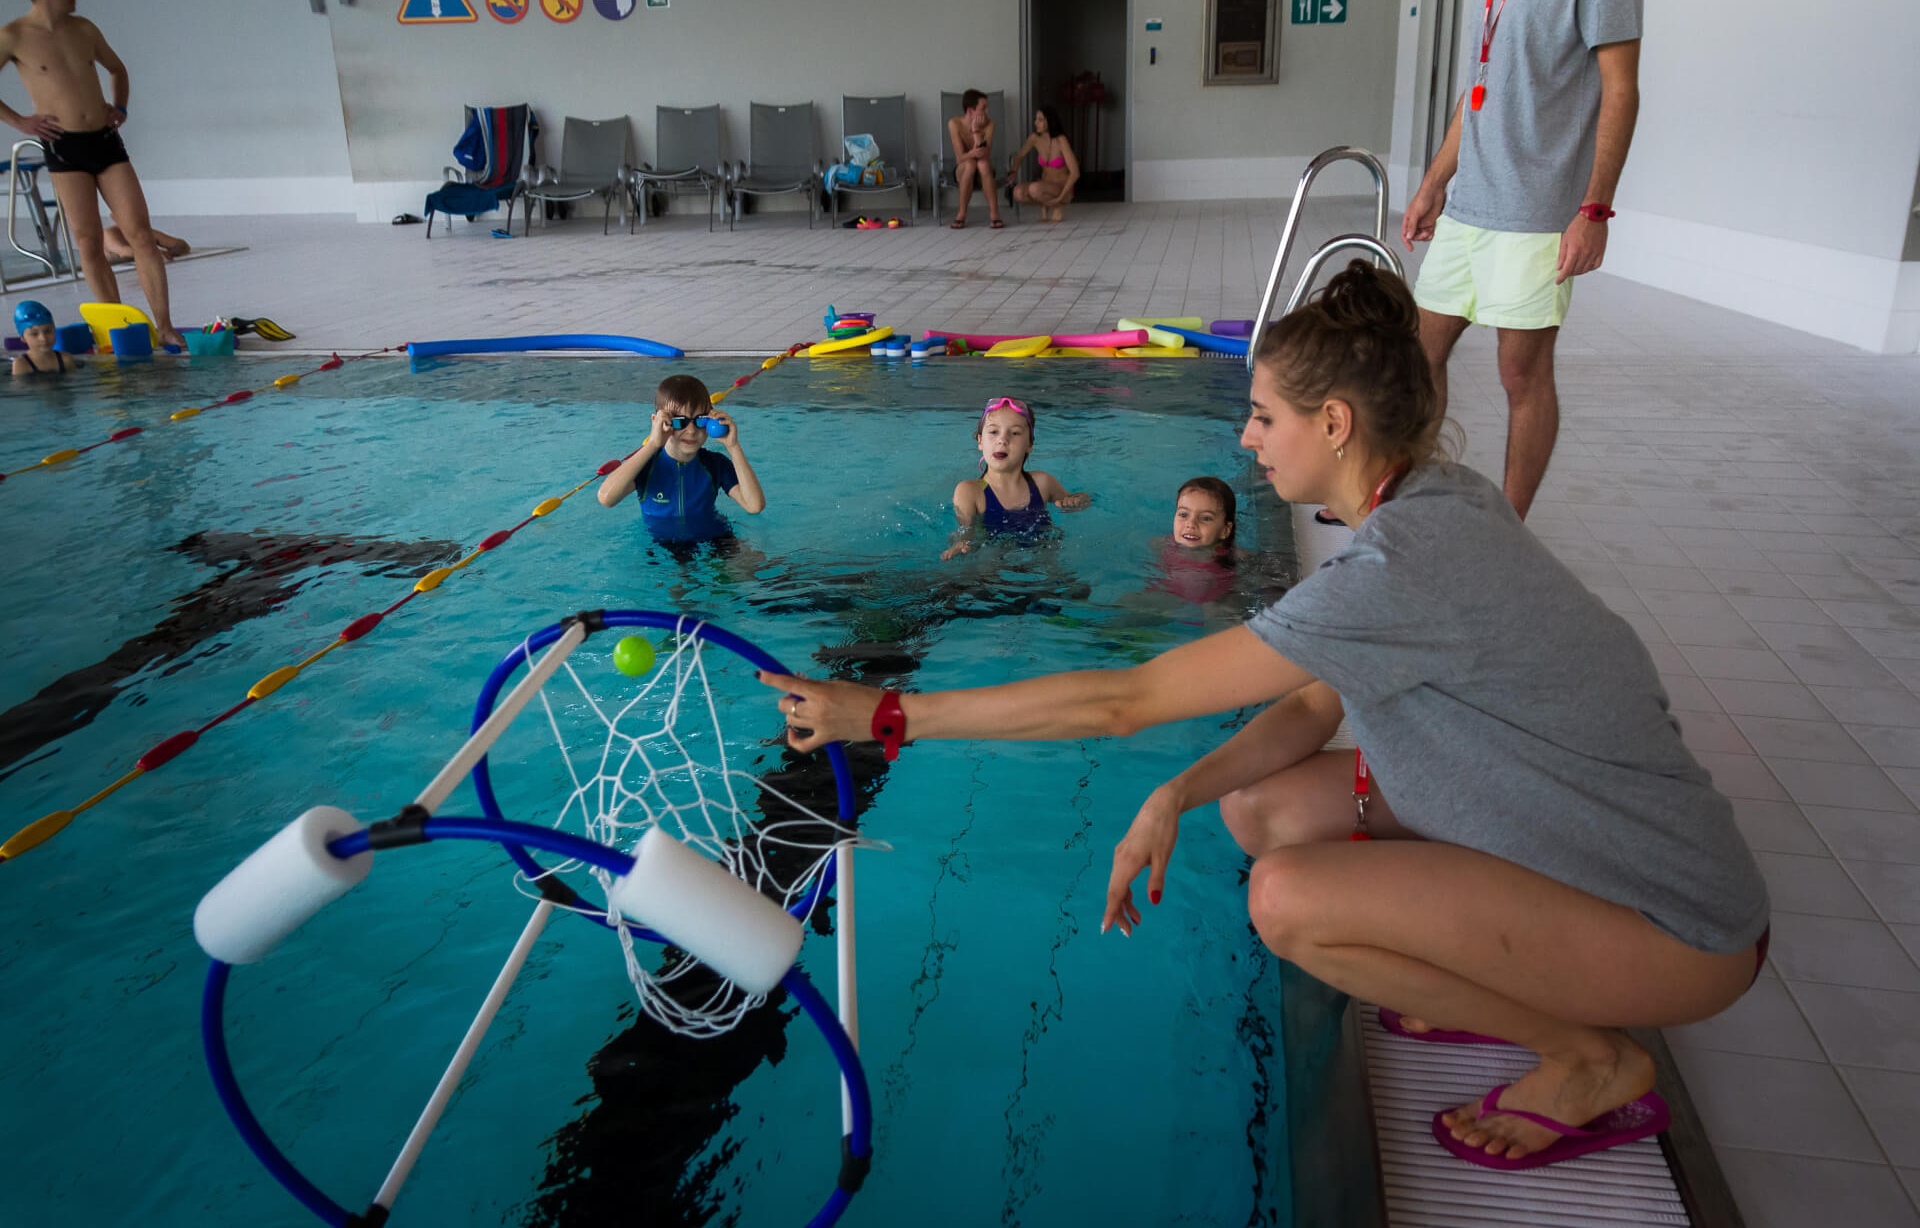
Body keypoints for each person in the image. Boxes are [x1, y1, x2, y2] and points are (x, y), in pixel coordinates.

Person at [763, 263, 1768, 1172]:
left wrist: (889, 711)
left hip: (1677, 922)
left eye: (1261, 415)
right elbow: (1314, 703)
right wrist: (1178, 789)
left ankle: (1588, 1056)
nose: (1246, 438)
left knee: (1286, 900)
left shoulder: (1389, 572)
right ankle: (1488, 972)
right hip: (1577, 825)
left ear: (1333, 422)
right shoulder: (1437, 497)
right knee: (1256, 811)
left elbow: (1127, 697)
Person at [1401, 0, 1642, 520]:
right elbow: (1482, 82)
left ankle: (1509, 527)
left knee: (1521, 374)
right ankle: (1407, 499)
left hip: (1539, 206)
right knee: (1417, 354)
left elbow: (1621, 90)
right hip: (1470, 204)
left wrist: (1595, 210)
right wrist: (1436, 181)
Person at [0, 0, 185, 349]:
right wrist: (20, 121)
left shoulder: (84, 29)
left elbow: (117, 69)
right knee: (87, 241)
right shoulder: (13, 36)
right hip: (63, 147)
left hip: (104, 140)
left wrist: (120, 108)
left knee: (140, 235)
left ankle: (165, 326)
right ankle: (118, 329)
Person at [597, 374, 766, 544]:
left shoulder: (715, 464)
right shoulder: (646, 465)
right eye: (679, 422)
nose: (691, 431)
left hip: (714, 537)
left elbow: (754, 506)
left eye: (700, 420)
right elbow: (606, 498)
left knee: (750, 562)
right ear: (657, 422)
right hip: (665, 545)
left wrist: (733, 446)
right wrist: (652, 444)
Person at [943, 396, 1089, 559]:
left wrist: (1078, 502)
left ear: (1029, 445)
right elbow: (965, 531)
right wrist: (960, 543)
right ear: (980, 441)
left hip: (1041, 556)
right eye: (993, 431)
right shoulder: (970, 492)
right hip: (994, 562)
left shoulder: (1042, 483)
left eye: (1015, 433)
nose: (1002, 440)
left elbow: (1074, 500)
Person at [1148, 476, 1238, 606]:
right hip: (1166, 599)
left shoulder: (1231, 557)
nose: (1190, 524)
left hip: (1212, 607)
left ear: (1225, 530)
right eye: (1183, 515)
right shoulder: (1162, 544)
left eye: (1206, 518)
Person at [1007, 107, 1079, 223]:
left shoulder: (1061, 140)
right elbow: (1019, 156)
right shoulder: (1035, 138)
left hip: (1062, 188)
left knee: (1034, 188)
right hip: (1043, 186)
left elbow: (1075, 173)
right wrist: (1014, 171)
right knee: (1018, 192)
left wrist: (1060, 199)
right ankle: (1045, 205)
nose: (1036, 122)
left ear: (1050, 121)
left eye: (1040, 120)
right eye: (1036, 119)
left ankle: (1057, 206)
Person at [945, 89, 1004, 230]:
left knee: (982, 164)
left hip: (984, 171)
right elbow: (960, 158)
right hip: (964, 168)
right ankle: (962, 214)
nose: (987, 112)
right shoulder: (954, 124)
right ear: (971, 111)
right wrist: (973, 153)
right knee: (970, 164)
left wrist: (976, 131)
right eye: (983, 108)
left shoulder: (990, 124)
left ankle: (994, 214)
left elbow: (985, 154)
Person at [10, 298, 74, 374]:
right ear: (23, 338)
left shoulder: (66, 359)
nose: (43, 338)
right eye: (34, 334)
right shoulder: (21, 364)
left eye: (48, 331)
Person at [104, 222, 187, 264]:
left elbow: (181, 244)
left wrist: (174, 251)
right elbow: (123, 252)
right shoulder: (110, 234)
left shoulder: (144, 232)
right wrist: (155, 252)